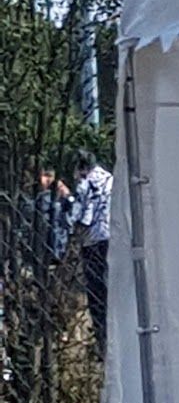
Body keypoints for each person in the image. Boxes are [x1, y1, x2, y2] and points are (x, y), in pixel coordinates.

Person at [67, 150, 112, 360]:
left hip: (93, 240)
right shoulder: (110, 179)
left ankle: (102, 340)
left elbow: (81, 216)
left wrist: (71, 229)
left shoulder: (86, 184)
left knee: (96, 295)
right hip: (113, 238)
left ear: (80, 167)